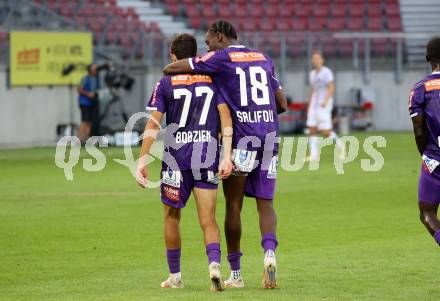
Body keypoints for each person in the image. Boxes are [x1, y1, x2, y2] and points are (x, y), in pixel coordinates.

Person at [163, 20, 287, 289]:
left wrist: (171, 67)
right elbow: (282, 103)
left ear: (219, 36)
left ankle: (237, 275)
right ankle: (269, 255)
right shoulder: (263, 57)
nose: (207, 47)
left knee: (233, 205)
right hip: (269, 139)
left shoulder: (222, 58)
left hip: (242, 141)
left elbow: (176, 67)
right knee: (266, 204)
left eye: (208, 42)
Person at [136, 33, 233, 291]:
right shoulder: (213, 80)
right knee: (208, 219)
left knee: (171, 216)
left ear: (173, 56)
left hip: (177, 161)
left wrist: (141, 160)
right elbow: (225, 117)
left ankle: (175, 276)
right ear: (196, 55)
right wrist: (226, 154)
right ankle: (214, 264)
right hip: (207, 156)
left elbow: (153, 123)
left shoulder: (166, 83)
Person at [409, 37, 440, 245]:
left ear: (428, 58)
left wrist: (426, 155)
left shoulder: (420, 89)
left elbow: (419, 131)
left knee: (427, 213)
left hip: (434, 158)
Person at [306, 51, 345, 161]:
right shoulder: (312, 73)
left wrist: (326, 100)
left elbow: (331, 87)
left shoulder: (326, 72)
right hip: (314, 104)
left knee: (325, 131)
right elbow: (312, 89)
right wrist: (309, 103)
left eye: (318, 58)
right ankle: (314, 155)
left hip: (324, 103)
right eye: (314, 59)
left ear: (322, 60)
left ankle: (341, 146)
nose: (316, 61)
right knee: (312, 129)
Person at [77, 63, 99, 143]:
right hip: (84, 102)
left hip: (91, 103)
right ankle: (78, 139)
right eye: (94, 69)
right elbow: (79, 89)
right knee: (84, 121)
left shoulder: (96, 79)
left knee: (90, 122)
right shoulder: (85, 78)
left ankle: (86, 139)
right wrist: (88, 94)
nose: (95, 71)